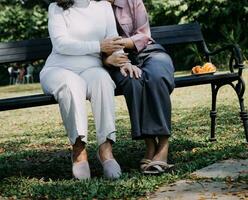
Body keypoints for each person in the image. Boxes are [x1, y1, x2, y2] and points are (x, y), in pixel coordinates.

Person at [40, 0, 129, 180]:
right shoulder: (56, 7)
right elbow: (60, 44)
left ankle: (106, 151)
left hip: (91, 68)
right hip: (59, 69)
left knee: (103, 79)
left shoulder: (103, 7)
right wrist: (98, 46)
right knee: (72, 84)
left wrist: (122, 61)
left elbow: (114, 40)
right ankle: (79, 151)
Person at [104, 0, 175, 174]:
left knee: (157, 77)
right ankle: (150, 146)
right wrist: (107, 60)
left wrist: (117, 44)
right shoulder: (91, 8)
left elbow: (144, 36)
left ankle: (163, 145)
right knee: (133, 80)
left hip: (150, 53)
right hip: (117, 63)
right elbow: (91, 45)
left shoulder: (133, 1)